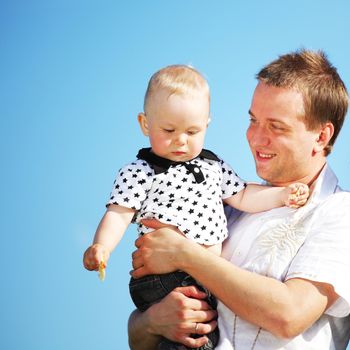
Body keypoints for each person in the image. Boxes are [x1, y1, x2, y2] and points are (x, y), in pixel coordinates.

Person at [128, 49, 350, 350]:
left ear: (322, 136)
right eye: (253, 120)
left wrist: (187, 255)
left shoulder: (339, 212)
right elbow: (136, 335)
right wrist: (153, 321)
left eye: (276, 126)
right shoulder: (225, 208)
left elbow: (289, 315)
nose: (256, 138)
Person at [83, 64, 309, 350]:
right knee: (196, 337)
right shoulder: (141, 170)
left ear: (207, 125)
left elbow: (243, 196)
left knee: (195, 333)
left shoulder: (212, 165)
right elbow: (118, 213)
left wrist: (282, 196)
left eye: (192, 131)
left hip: (201, 278)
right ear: (145, 124)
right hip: (164, 277)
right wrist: (101, 246)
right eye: (169, 130)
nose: (181, 140)